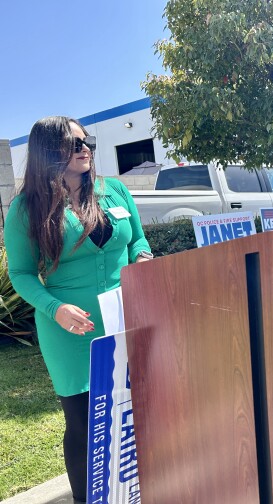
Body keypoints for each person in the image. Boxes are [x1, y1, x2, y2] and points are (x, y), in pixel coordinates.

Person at [4, 117, 153, 503]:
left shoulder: (114, 190)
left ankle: (140, 490)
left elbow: (137, 239)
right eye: (73, 144)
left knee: (139, 409)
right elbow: (20, 273)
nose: (84, 149)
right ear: (48, 152)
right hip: (71, 331)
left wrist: (143, 256)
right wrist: (54, 308)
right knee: (86, 423)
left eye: (87, 142)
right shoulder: (26, 209)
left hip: (127, 317)